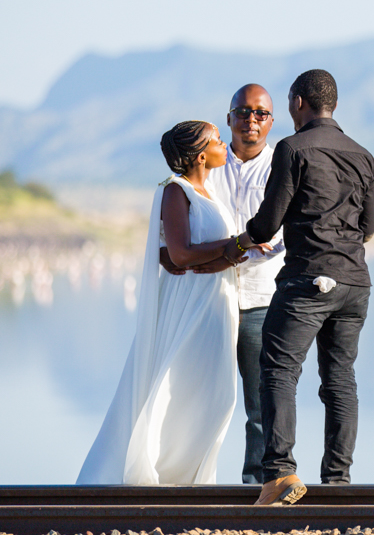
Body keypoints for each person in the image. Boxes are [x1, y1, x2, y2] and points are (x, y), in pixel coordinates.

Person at [78, 121, 259, 485]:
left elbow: (209, 253)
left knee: (217, 394)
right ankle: (158, 472)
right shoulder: (176, 192)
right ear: (202, 154)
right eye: (219, 141)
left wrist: (237, 250)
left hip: (217, 304)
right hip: (190, 304)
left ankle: (190, 479)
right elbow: (178, 253)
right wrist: (237, 245)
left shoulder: (208, 193)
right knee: (182, 385)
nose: (227, 146)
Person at [237, 69, 374, 506]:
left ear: (298, 103)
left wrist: (244, 239)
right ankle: (337, 480)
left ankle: (279, 474)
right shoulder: (363, 155)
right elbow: (369, 226)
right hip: (355, 282)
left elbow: (267, 221)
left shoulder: (292, 148)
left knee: (278, 370)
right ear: (332, 104)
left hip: (307, 281)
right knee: (340, 380)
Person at [161, 84, 285, 485]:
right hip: (207, 300)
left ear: (271, 120)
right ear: (229, 117)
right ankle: (182, 478)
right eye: (243, 111)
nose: (251, 120)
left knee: (259, 403)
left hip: (259, 299)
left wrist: (230, 254)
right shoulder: (207, 163)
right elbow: (182, 237)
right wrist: (223, 253)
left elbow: (279, 238)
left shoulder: (282, 165)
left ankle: (258, 485)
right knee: (195, 395)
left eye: (260, 113)